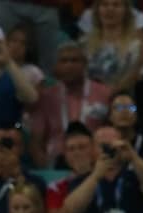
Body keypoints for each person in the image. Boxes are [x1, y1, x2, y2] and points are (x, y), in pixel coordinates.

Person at [29, 41, 111, 169]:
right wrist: (47, 171)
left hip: (97, 163)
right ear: (56, 66)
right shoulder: (47, 97)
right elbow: (36, 141)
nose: (69, 65)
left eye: (74, 60)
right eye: (64, 61)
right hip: (56, 163)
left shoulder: (103, 93)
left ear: (84, 64)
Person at [84, 0, 142, 91]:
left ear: (126, 11)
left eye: (116, 5)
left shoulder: (136, 47)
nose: (110, 9)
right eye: (104, 4)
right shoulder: (84, 44)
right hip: (89, 102)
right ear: (97, 10)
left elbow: (137, 81)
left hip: (126, 102)